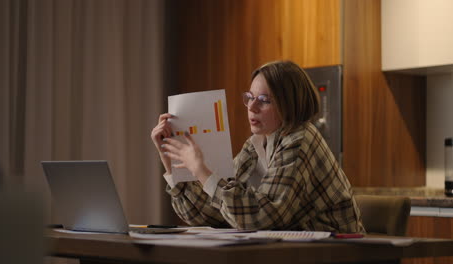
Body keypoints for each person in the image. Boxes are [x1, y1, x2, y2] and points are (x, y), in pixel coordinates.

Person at [151, 60, 364, 232]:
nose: (252, 107)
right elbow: (210, 213)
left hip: (338, 251)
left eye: (264, 100)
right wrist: (170, 161)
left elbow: (261, 216)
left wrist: (201, 170)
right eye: (250, 97)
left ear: (289, 103)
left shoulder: (300, 140)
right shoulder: (256, 144)